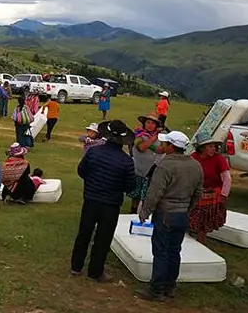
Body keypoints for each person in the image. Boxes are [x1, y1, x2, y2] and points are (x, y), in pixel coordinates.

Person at [135, 130, 204, 302]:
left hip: (165, 214)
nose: (161, 145)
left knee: (161, 252)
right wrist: (187, 210)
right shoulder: (195, 165)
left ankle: (156, 289)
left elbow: (155, 192)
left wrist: (145, 212)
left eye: (164, 143)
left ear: (172, 147)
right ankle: (170, 286)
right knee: (175, 251)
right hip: (181, 215)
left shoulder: (166, 165)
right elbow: (198, 193)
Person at [70, 120, 136, 281]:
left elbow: (82, 171)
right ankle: (95, 271)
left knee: (84, 233)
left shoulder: (93, 152)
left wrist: (92, 183)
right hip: (111, 203)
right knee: (103, 238)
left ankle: (76, 266)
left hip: (91, 199)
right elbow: (130, 186)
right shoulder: (126, 161)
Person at [189, 138, 231, 244]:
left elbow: (226, 178)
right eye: (210, 147)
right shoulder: (193, 157)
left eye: (214, 147)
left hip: (212, 193)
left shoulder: (219, 158)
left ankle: (201, 241)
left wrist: (223, 195)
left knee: (204, 221)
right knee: (190, 217)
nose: (213, 149)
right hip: (196, 191)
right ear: (202, 148)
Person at [129, 113, 163, 214]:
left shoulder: (160, 137)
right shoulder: (138, 135)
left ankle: (143, 214)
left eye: (153, 123)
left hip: (152, 171)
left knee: (147, 196)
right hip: (139, 169)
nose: (150, 125)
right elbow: (141, 147)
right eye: (148, 122)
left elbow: (160, 150)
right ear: (144, 123)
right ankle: (133, 211)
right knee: (136, 195)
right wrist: (154, 137)